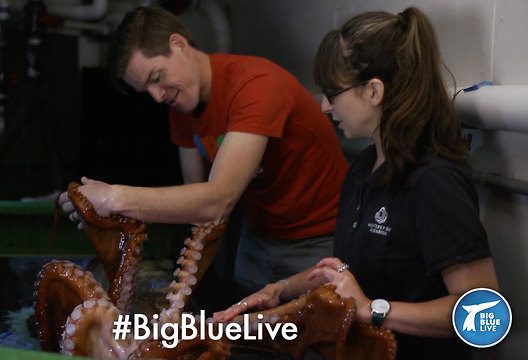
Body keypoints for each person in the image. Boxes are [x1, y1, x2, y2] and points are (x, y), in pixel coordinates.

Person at [214, 7, 499, 360]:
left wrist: (372, 310)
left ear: (373, 91)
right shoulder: (365, 167)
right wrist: (280, 290)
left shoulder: (435, 182)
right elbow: (347, 272)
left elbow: (489, 316)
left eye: (332, 94)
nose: (324, 107)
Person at [58, 5, 348, 294]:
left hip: (319, 241)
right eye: (146, 90)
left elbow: (217, 200)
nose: (157, 97)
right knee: (248, 335)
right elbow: (196, 203)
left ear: (179, 45)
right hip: (258, 238)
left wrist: (112, 197)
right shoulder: (182, 108)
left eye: (157, 77)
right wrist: (106, 215)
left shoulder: (256, 84)